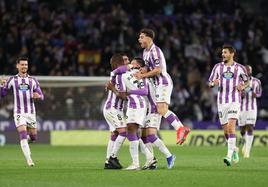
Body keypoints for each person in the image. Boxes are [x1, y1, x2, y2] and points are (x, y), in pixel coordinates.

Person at [135, 28, 190, 145]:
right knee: (159, 110)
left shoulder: (155, 51)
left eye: (141, 37)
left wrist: (143, 75)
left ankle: (180, 128)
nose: (139, 39)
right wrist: (141, 70)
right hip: (156, 85)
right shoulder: (145, 52)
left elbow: (158, 70)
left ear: (148, 37)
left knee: (161, 109)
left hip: (162, 82)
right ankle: (177, 129)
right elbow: (148, 67)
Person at [132, 58, 176, 169]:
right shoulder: (141, 78)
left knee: (151, 135)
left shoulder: (144, 78)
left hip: (154, 110)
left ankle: (169, 156)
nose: (132, 68)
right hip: (146, 112)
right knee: (144, 137)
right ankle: (151, 161)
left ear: (141, 68)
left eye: (134, 66)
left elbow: (145, 92)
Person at [208, 45, 248, 166]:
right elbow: (210, 82)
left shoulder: (240, 68)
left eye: (225, 52)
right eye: (222, 53)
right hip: (221, 103)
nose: (223, 54)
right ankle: (234, 149)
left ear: (232, 54)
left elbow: (247, 81)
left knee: (231, 128)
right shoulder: (217, 67)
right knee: (226, 132)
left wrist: (243, 86)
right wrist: (212, 84)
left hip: (234, 101)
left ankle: (229, 156)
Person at [0, 57, 44, 166]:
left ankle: (25, 143)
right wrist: (1, 85)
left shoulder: (33, 80)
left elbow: (41, 95)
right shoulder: (12, 80)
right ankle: (29, 159)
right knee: (23, 133)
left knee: (33, 137)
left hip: (31, 113)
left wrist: (38, 96)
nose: (24, 66)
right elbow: (2, 94)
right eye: (22, 64)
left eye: (26, 65)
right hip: (19, 112)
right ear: (17, 66)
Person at [103, 54, 127, 169]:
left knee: (115, 134)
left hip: (111, 109)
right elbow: (122, 96)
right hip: (113, 109)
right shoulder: (120, 76)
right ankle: (113, 157)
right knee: (123, 132)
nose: (127, 63)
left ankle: (108, 162)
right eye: (125, 61)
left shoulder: (117, 75)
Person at [239, 65, 262, 158]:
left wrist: (254, 93)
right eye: (246, 70)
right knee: (242, 130)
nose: (247, 71)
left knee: (250, 127)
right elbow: (236, 93)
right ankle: (245, 143)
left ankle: (247, 151)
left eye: (249, 70)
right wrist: (241, 93)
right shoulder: (239, 81)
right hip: (241, 108)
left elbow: (259, 94)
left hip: (252, 108)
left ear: (251, 71)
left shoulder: (257, 81)